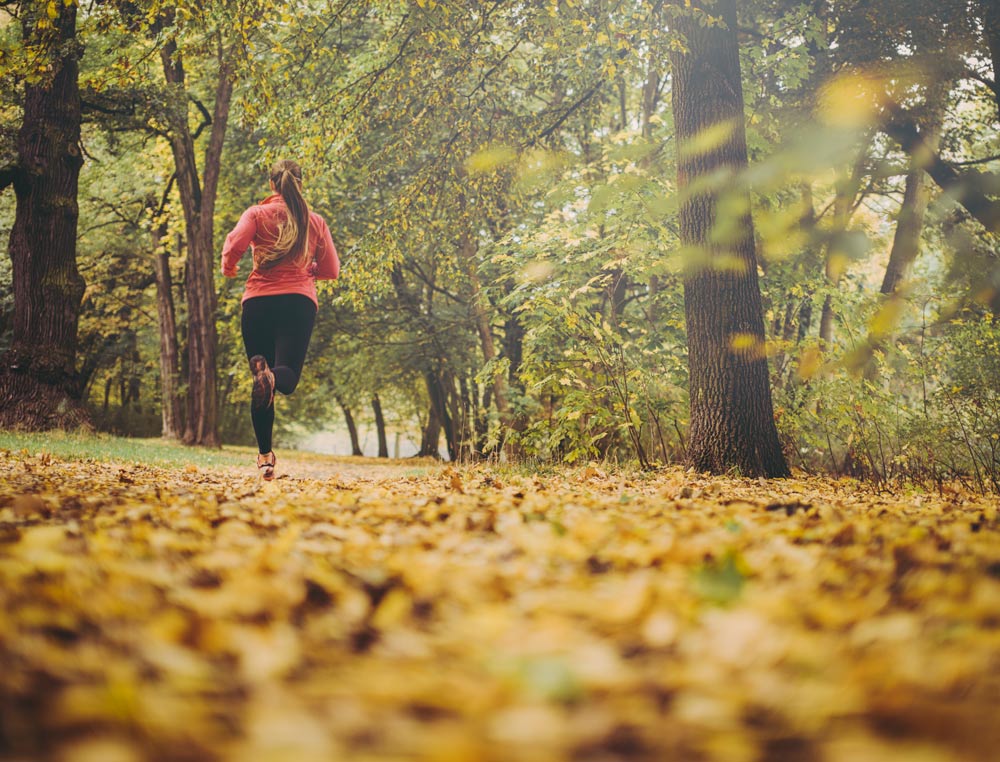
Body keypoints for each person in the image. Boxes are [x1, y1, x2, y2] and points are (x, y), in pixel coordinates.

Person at [221, 159, 340, 480]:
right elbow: (331, 270)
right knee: (279, 378)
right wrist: (310, 270)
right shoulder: (315, 222)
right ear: (299, 184)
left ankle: (264, 457)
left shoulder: (256, 214)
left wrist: (229, 265)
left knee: (261, 379)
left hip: (257, 304)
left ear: (272, 184)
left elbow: (234, 243)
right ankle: (272, 382)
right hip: (297, 303)